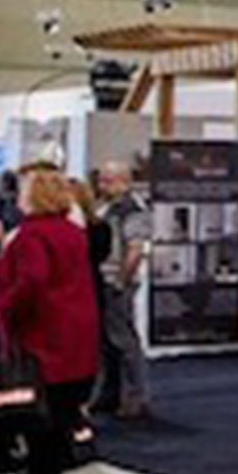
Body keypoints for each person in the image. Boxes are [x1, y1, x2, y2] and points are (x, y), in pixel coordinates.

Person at [0, 168, 102, 474]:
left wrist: (4, 309)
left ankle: (41, 466)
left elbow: (33, 280)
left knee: (38, 399)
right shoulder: (73, 232)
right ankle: (59, 457)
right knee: (65, 397)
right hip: (78, 322)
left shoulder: (32, 235)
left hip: (45, 326)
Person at [90, 161, 152, 420]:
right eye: (101, 180)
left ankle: (136, 397)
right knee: (106, 343)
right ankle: (109, 393)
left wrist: (121, 281)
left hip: (117, 281)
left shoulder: (132, 210)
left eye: (107, 180)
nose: (101, 185)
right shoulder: (105, 206)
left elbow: (135, 249)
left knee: (124, 341)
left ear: (123, 181)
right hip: (102, 279)